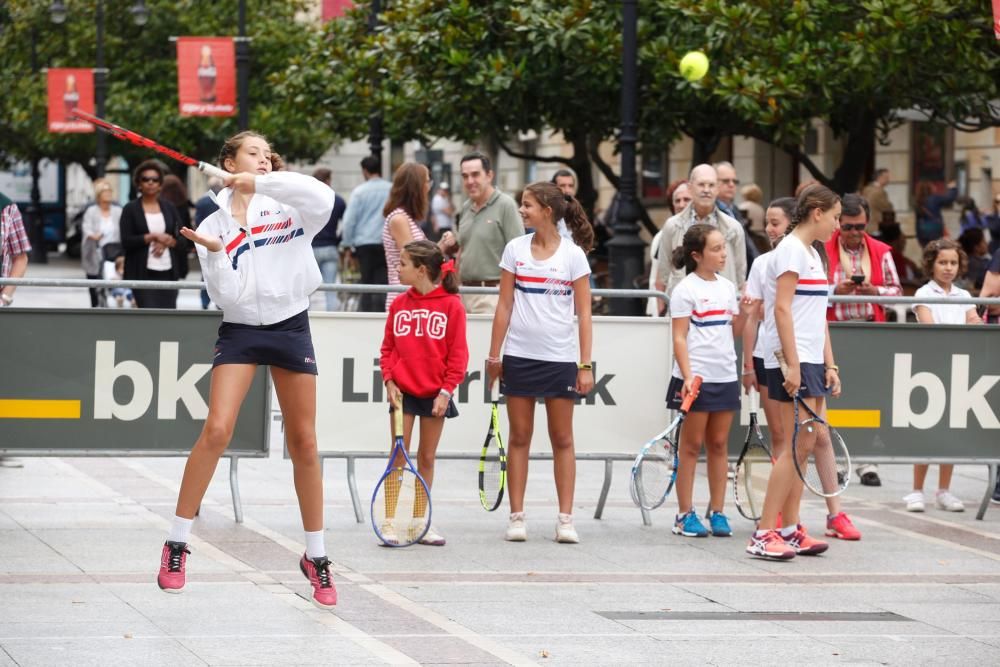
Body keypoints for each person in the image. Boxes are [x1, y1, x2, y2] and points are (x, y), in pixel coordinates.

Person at [164, 131, 338, 608]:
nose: (263, 160)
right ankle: (176, 544)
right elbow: (229, 298)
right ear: (228, 161)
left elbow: (325, 197)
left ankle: (317, 557)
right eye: (252, 154)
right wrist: (218, 258)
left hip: (291, 327)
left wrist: (262, 183)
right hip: (241, 330)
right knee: (217, 429)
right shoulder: (214, 221)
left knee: (304, 442)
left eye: (267, 155)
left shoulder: (290, 205)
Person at [743, 197, 862, 541]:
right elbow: (780, 309)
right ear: (817, 213)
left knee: (804, 445)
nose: (838, 226)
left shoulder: (812, 253)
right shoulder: (792, 250)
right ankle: (766, 531)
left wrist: (830, 364)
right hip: (791, 359)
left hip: (810, 359)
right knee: (796, 446)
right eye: (836, 218)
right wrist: (793, 365)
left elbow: (816, 317)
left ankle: (790, 527)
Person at [486, 181, 594, 544]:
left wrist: (585, 365)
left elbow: (584, 314)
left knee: (563, 438)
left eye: (528, 205)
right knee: (519, 437)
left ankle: (565, 519)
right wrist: (494, 355)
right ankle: (516, 517)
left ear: (547, 211)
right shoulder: (515, 249)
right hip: (519, 356)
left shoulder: (573, 255)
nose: (522, 210)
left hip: (560, 358)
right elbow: (504, 305)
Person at [379, 240, 468, 546]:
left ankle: (420, 522)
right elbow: (388, 348)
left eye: (402, 264)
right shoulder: (399, 304)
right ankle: (388, 521)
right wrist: (389, 380)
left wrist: (446, 391)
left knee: (427, 457)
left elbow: (458, 355)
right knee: (397, 457)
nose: (397, 268)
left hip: (435, 394)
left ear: (421, 270)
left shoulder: (452, 305)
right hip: (402, 393)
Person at [667, 224, 746, 539]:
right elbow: (679, 337)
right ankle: (684, 514)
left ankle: (718, 511)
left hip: (725, 375)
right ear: (697, 255)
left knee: (718, 445)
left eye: (723, 247)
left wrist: (748, 315)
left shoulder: (727, 288)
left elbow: (733, 333)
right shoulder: (685, 290)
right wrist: (687, 375)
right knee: (690, 447)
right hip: (695, 378)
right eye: (716, 248)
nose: (723, 253)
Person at [824, 194, 901, 486]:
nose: (855, 233)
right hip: (835, 331)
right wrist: (836, 289)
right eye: (848, 227)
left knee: (870, 398)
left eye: (860, 227)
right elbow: (812, 289)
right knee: (838, 400)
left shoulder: (880, 251)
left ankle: (867, 460)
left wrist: (875, 291)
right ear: (838, 224)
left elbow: (898, 292)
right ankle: (838, 461)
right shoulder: (823, 249)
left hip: (870, 330)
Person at [904, 239, 982, 513]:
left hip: (958, 367)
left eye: (953, 263)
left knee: (951, 429)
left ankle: (944, 490)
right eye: (942, 263)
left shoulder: (964, 296)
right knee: (926, 429)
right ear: (931, 265)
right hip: (930, 369)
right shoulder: (923, 293)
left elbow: (973, 320)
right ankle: (916, 490)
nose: (948, 268)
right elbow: (929, 326)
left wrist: (975, 322)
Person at [656, 164, 747, 296]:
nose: (706, 190)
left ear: (717, 189)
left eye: (711, 185)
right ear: (690, 187)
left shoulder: (733, 228)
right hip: (685, 303)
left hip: (720, 303)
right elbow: (664, 273)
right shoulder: (672, 225)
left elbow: (740, 274)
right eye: (701, 184)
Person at [454, 152, 525, 314]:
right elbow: (462, 250)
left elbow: (520, 255)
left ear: (489, 175)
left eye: (475, 175)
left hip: (493, 294)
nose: (470, 181)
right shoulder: (466, 207)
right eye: (465, 176)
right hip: (464, 294)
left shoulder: (506, 205)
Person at [383, 162, 456, 310]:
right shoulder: (399, 219)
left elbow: (421, 258)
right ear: (417, 187)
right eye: (427, 181)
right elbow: (414, 259)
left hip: (413, 297)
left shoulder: (406, 218)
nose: (429, 186)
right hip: (405, 299)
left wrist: (442, 244)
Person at [119, 161, 186, 308]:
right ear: (138, 183)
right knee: (148, 316)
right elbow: (126, 241)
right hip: (141, 272)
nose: (150, 182)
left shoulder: (169, 208)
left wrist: (167, 241)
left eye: (155, 180)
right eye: (145, 179)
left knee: (168, 316)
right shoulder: (130, 209)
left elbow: (183, 238)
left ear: (160, 184)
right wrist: (152, 237)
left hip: (168, 271)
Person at [340, 156, 392, 312]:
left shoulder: (359, 192)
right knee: (383, 281)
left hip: (364, 243)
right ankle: (382, 312)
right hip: (386, 241)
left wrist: (347, 244)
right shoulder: (391, 188)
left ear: (365, 171)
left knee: (366, 281)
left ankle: (367, 312)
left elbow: (349, 220)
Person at [647, 180, 691, 316]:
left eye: (686, 199)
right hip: (670, 305)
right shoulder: (664, 234)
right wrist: (659, 308)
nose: (681, 204)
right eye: (677, 201)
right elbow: (658, 276)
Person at [81, 179, 122, 308]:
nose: (108, 194)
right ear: (99, 195)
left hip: (114, 254)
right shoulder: (91, 211)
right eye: (105, 192)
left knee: (114, 286)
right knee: (94, 285)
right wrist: (93, 235)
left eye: (110, 191)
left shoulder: (117, 211)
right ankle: (95, 308)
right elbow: (86, 227)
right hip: (95, 253)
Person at [311, 168, 347, 311]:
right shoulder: (338, 201)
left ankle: (306, 319)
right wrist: (338, 240)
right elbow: (347, 224)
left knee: (306, 290)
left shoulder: (308, 200)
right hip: (330, 247)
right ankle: (332, 319)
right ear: (328, 180)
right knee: (330, 288)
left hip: (311, 247)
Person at [194, 177, 224, 309]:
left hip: (206, 242)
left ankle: (205, 302)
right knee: (223, 272)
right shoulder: (227, 201)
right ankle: (220, 303)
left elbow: (198, 223)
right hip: (225, 242)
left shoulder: (202, 202)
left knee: (206, 272)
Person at [914, 179, 958, 247]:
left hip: (923, 233)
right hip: (935, 232)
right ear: (929, 188)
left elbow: (917, 222)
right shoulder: (934, 199)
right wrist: (952, 188)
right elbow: (949, 199)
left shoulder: (918, 202)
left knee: (928, 252)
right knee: (936, 251)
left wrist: (919, 236)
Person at [959, 227, 990, 293]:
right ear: (976, 247)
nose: (986, 243)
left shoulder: (981, 260)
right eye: (983, 241)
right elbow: (969, 289)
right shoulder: (973, 263)